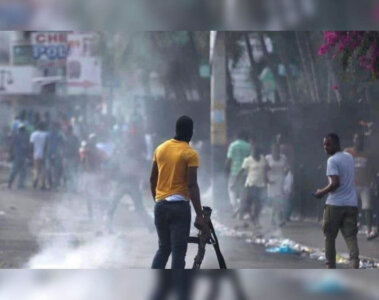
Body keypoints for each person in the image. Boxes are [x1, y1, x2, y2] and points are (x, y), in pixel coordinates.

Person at [150, 115, 205, 269]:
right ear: (191, 132)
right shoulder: (190, 153)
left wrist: (158, 201)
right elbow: (192, 185)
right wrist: (199, 215)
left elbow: (152, 179)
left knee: (163, 249)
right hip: (180, 208)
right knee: (178, 253)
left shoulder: (160, 149)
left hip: (160, 206)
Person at [313, 133, 359, 269]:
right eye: (324, 145)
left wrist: (321, 192)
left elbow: (335, 183)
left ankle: (330, 266)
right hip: (351, 204)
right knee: (351, 237)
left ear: (337, 144)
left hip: (335, 205)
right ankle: (355, 264)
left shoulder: (332, 161)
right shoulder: (349, 157)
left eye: (328, 144)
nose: (325, 147)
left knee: (329, 237)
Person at [345, 133, 377, 240]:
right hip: (352, 184)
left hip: (365, 184)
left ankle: (368, 230)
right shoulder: (348, 152)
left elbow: (372, 169)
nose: (358, 142)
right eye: (356, 139)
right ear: (353, 141)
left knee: (367, 207)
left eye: (360, 140)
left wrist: (374, 183)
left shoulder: (367, 154)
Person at [235, 141, 267, 228]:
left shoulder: (263, 159)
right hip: (250, 185)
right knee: (247, 204)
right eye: (252, 150)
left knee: (258, 205)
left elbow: (265, 170)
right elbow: (241, 171)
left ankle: (255, 219)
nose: (253, 152)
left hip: (260, 185)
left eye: (255, 151)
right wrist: (236, 181)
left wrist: (266, 181)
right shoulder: (248, 160)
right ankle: (250, 219)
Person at [225, 131, 251, 215]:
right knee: (243, 191)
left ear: (236, 136)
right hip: (245, 172)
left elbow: (229, 159)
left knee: (232, 189)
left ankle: (236, 207)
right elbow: (250, 159)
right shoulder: (248, 146)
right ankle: (241, 209)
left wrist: (226, 170)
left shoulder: (233, 145)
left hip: (234, 171)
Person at [266, 142, 289, 228]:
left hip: (280, 181)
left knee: (279, 201)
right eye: (273, 149)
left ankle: (277, 219)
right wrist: (267, 180)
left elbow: (286, 168)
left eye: (277, 149)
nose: (275, 151)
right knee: (274, 202)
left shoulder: (283, 158)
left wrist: (285, 174)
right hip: (271, 182)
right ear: (271, 150)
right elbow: (264, 169)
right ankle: (275, 218)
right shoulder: (268, 158)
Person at [8, 124, 29, 189]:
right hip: (22, 156)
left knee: (14, 170)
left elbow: (11, 145)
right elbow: (27, 147)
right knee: (23, 171)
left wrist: (10, 154)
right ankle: (20, 184)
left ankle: (10, 183)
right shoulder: (26, 136)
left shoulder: (16, 135)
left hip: (17, 155)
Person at [46, 122, 65, 190]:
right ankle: (51, 184)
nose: (53, 128)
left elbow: (63, 143)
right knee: (51, 170)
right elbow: (63, 143)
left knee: (54, 170)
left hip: (55, 154)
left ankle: (54, 185)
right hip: (52, 154)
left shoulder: (59, 135)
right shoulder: (50, 134)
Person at [30, 122, 48, 190]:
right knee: (43, 169)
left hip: (36, 154)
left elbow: (31, 144)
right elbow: (46, 145)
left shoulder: (34, 134)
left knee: (36, 168)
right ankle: (42, 184)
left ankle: (35, 179)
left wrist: (31, 153)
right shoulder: (46, 134)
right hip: (44, 154)